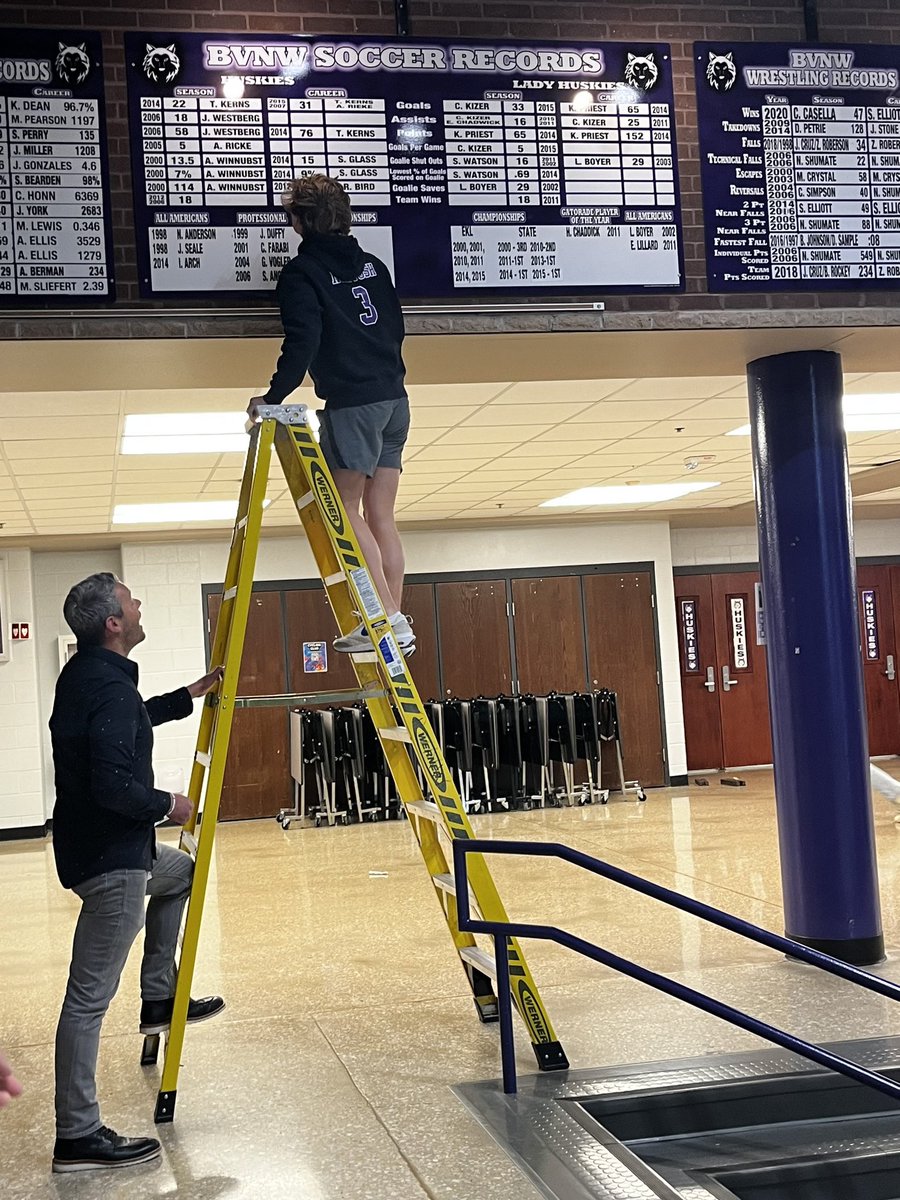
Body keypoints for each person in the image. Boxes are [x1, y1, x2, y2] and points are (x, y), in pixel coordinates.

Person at [49, 572, 225, 1173]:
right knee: (86, 1002)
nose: (139, 601)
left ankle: (159, 995)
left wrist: (189, 695)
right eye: (131, 599)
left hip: (104, 852)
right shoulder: (108, 687)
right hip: (113, 865)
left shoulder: (87, 676)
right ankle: (77, 1134)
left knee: (181, 872)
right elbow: (113, 786)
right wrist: (167, 804)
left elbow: (129, 720)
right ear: (114, 623)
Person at [249, 172, 414, 655]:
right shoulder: (374, 266)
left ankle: (387, 620)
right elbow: (396, 327)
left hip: (354, 404)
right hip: (395, 400)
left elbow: (302, 342)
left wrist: (272, 396)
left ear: (298, 221)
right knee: (380, 512)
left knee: (343, 509)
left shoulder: (303, 274)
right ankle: (393, 620)